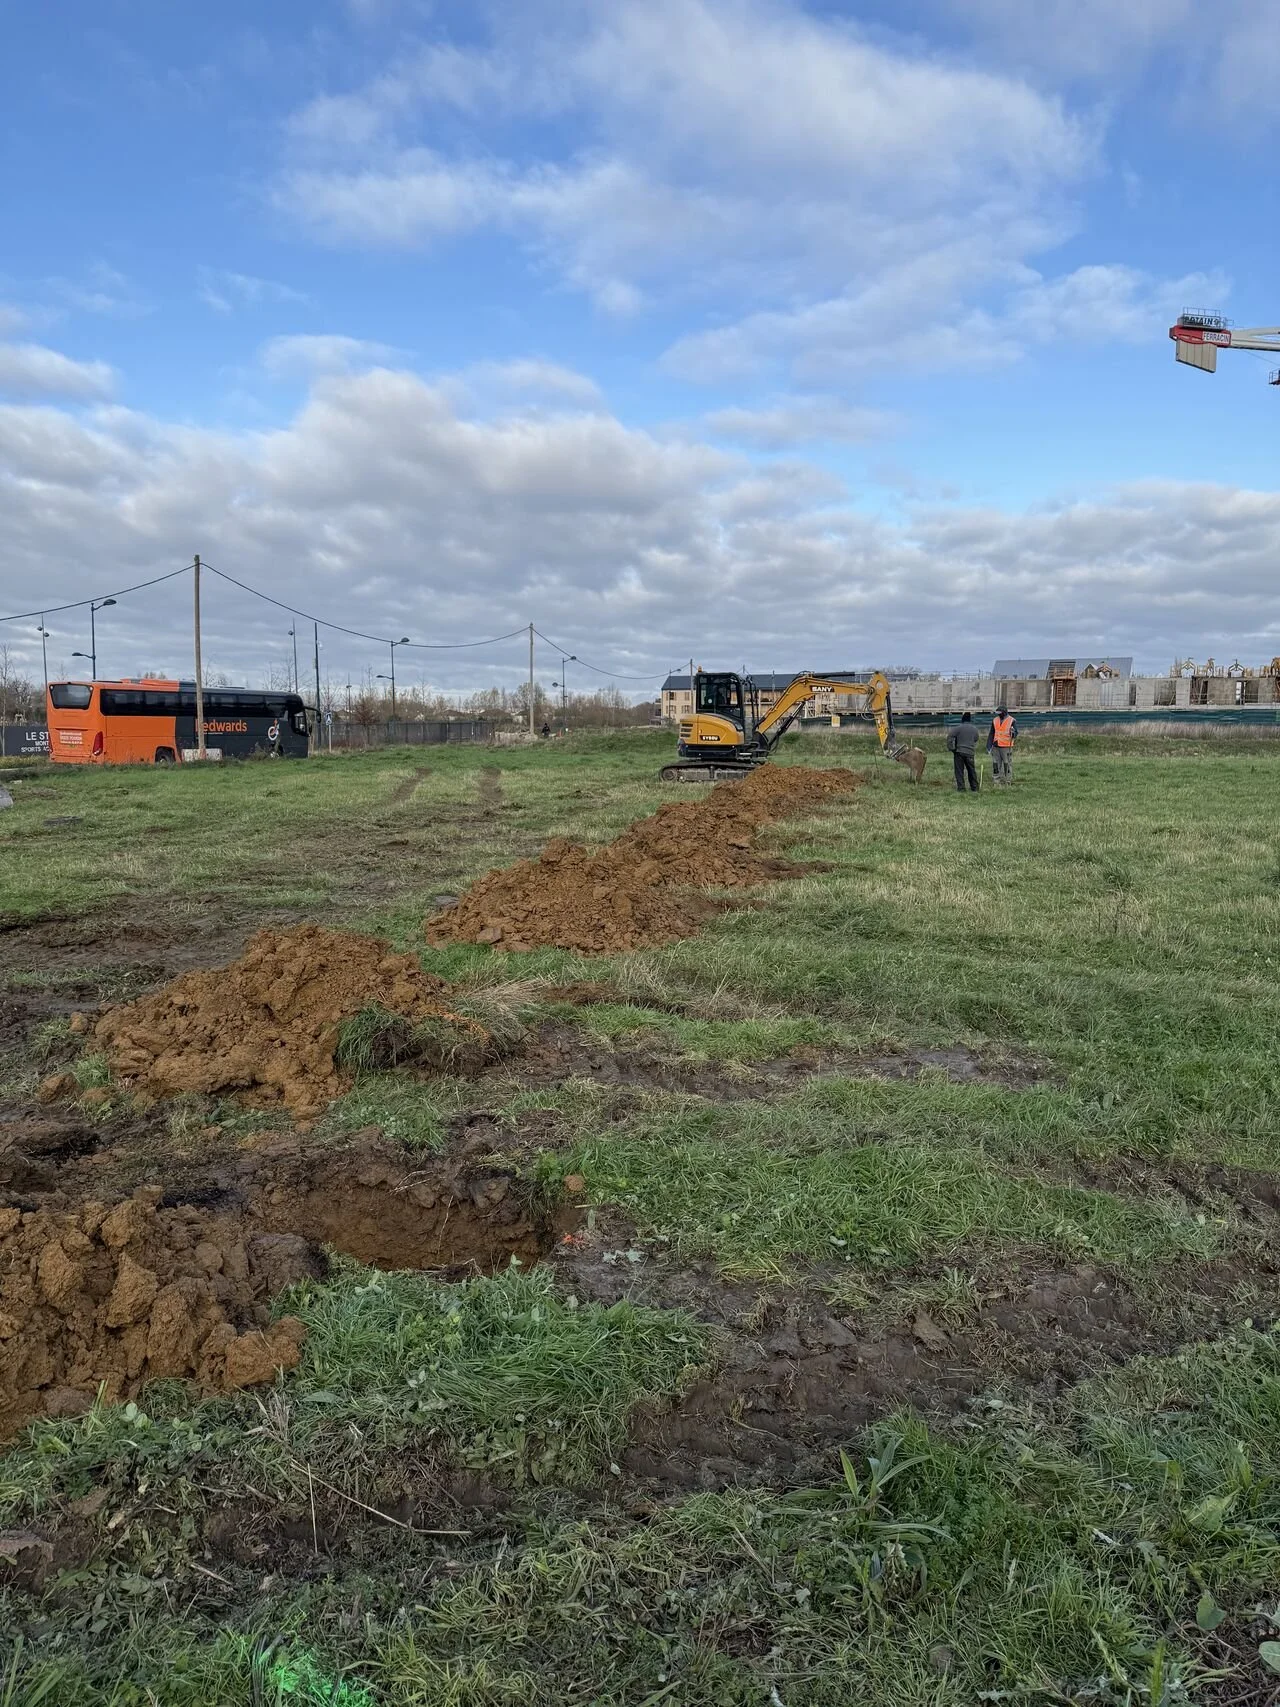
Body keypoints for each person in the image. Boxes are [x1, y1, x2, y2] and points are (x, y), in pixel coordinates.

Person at [946, 711, 980, 793]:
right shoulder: (974, 729)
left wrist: (952, 748)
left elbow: (949, 737)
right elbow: (976, 739)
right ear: (970, 720)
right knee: (971, 771)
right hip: (970, 753)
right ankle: (974, 788)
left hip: (959, 752)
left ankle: (961, 788)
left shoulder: (958, 728)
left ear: (962, 719)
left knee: (959, 771)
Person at [987, 704, 1017, 786]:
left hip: (1006, 747)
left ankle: (1008, 781)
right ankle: (996, 782)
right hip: (996, 746)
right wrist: (989, 746)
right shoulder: (995, 720)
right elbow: (991, 733)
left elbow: (1015, 733)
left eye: (1000, 713)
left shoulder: (1012, 720)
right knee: (996, 764)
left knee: (1007, 765)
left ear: (1004, 712)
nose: (998, 715)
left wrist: (1013, 733)